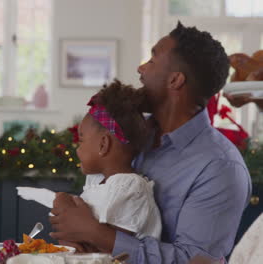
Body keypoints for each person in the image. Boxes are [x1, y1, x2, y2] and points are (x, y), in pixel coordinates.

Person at [50, 22, 252, 263]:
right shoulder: (130, 136)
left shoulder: (219, 168)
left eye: (152, 60)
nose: (140, 68)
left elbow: (195, 260)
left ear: (175, 80)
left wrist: (96, 233)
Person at [53, 80, 162, 252]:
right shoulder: (101, 183)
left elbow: (112, 248)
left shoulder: (130, 187)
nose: (78, 148)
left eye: (81, 140)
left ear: (103, 144)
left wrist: (66, 207)